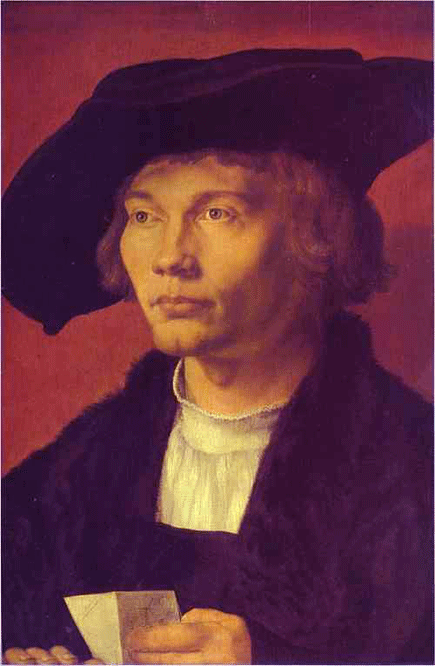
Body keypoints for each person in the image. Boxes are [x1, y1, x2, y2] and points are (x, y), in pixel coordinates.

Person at [2, 48, 433, 664]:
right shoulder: (59, 482)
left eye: (216, 212)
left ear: (318, 238)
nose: (169, 256)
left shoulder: (416, 468)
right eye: (144, 215)